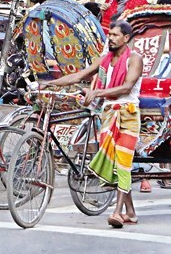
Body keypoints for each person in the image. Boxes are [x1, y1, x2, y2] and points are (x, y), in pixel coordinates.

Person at [41, 21, 143, 228]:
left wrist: (97, 92)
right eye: (110, 34)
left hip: (128, 114)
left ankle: (117, 212)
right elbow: (79, 75)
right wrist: (49, 83)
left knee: (122, 163)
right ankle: (130, 211)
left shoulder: (134, 59)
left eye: (115, 35)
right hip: (108, 115)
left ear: (126, 38)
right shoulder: (105, 59)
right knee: (115, 162)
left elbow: (127, 87)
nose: (111, 38)